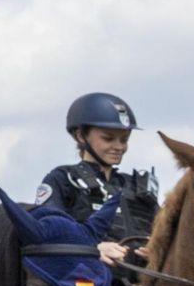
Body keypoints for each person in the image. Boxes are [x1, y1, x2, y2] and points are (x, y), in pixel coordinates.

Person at [36, 92, 160, 267]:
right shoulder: (62, 180)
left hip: (145, 285)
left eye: (124, 140)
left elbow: (167, 233)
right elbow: (47, 232)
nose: (119, 147)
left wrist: (158, 249)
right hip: (88, 282)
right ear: (81, 136)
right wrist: (93, 249)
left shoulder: (137, 187)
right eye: (108, 138)